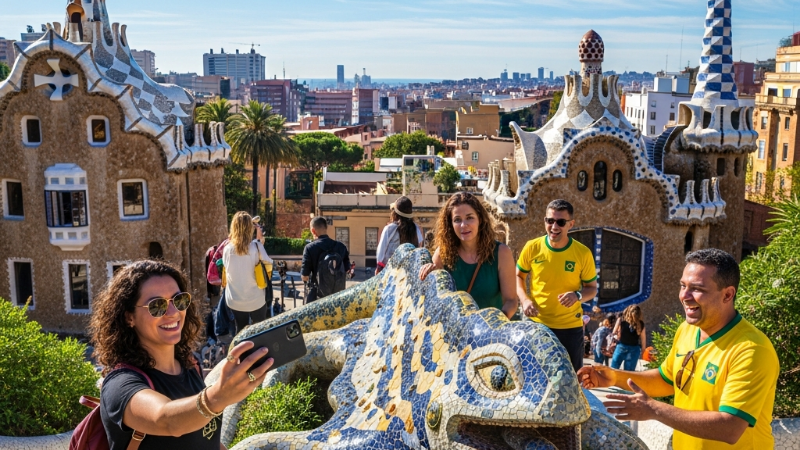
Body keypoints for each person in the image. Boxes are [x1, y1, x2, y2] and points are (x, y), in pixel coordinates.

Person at [578, 249, 779, 449]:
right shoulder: (687, 329)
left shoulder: (752, 350)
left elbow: (731, 427)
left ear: (728, 294)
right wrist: (614, 377)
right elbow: (667, 380)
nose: (685, 295)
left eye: (697, 289)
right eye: (683, 286)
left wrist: (653, 409)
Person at [89, 259, 273, 450]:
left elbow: (204, 439)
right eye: (157, 305)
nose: (172, 312)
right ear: (129, 317)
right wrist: (218, 395)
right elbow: (166, 420)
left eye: (179, 300)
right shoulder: (120, 384)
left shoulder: (188, 366)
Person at [516, 199, 598, 372]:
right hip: (537, 324)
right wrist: (524, 300)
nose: (554, 226)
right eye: (550, 221)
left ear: (571, 224)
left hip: (569, 327)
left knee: (570, 379)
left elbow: (592, 288)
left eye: (560, 222)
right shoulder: (532, 247)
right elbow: (518, 276)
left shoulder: (582, 253)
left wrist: (577, 295)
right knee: (531, 375)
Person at [418, 192, 518, 319]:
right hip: (456, 335)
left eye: (469, 217)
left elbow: (511, 301)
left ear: (480, 219)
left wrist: (496, 324)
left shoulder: (501, 253)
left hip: (490, 334)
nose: (463, 225)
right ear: (450, 224)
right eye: (457, 220)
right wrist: (428, 272)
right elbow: (432, 299)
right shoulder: (443, 254)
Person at [223, 211, 273, 333]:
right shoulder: (256, 247)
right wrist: (260, 242)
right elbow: (269, 263)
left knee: (240, 329)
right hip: (255, 299)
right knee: (259, 330)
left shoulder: (227, 249)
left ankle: (242, 350)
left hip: (234, 300)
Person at [301, 216, 350, 301]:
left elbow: (305, 276)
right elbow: (347, 271)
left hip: (317, 299)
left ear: (313, 231)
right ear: (326, 228)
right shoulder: (341, 247)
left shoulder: (309, 248)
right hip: (337, 298)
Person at [375, 196, 424, 274]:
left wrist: (378, 267)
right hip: (408, 272)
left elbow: (381, 252)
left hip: (390, 272)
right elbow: (419, 247)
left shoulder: (389, 229)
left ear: (395, 213)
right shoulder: (416, 228)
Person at [610, 305, 646, 371]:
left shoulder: (621, 320)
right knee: (628, 373)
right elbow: (643, 339)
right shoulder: (641, 324)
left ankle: (612, 381)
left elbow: (613, 333)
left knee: (613, 369)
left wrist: (612, 342)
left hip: (621, 347)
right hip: (634, 349)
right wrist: (643, 350)